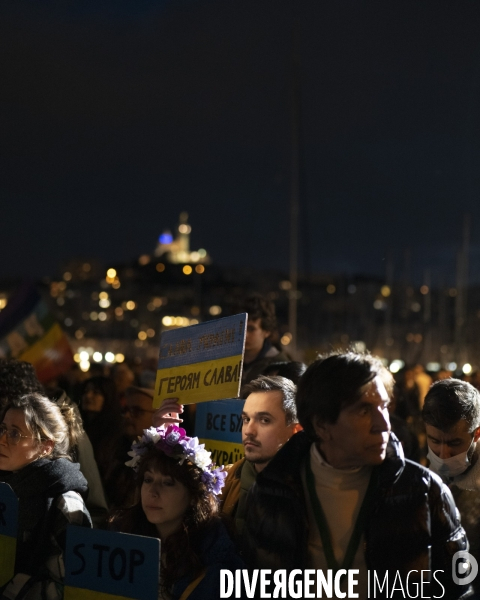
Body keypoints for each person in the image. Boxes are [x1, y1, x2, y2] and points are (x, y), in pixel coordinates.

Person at [243, 351, 473, 599]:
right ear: (321, 424)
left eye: (383, 407)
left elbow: (459, 589)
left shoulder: (425, 490)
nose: (383, 424)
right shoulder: (272, 490)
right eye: (364, 411)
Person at [110, 425, 244, 599]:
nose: (153, 492)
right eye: (148, 479)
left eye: (168, 483)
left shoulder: (218, 565)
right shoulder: (118, 538)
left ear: (193, 495)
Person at [0, 393, 92, 600]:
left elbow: (70, 585)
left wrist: (15, 589)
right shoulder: (6, 488)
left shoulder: (66, 503)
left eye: (15, 434)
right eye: (3, 429)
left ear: (45, 446)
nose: (2, 440)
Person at [220, 376, 301, 534]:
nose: (249, 431)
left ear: (295, 430)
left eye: (264, 420)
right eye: (246, 419)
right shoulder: (226, 479)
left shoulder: (309, 488)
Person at [422, 378, 480, 591]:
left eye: (455, 443)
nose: (444, 454)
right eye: (435, 441)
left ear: (477, 434)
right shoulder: (425, 476)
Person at [239, 294, 288, 385]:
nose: (244, 335)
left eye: (251, 329)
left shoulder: (279, 365)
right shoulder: (229, 363)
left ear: (267, 331)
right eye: (241, 328)